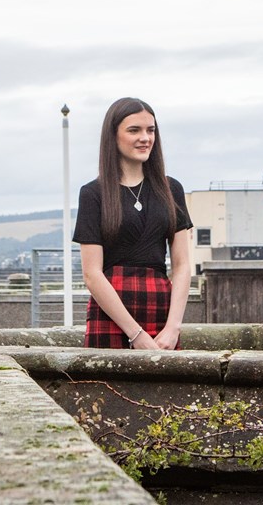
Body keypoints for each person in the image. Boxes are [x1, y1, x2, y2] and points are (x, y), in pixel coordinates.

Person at [73, 97, 195, 349]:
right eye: (134, 130)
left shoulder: (172, 189)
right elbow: (91, 273)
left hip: (161, 309)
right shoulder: (93, 194)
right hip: (111, 313)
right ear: (113, 136)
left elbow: (182, 265)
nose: (145, 138)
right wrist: (136, 334)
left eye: (150, 130)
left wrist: (173, 328)